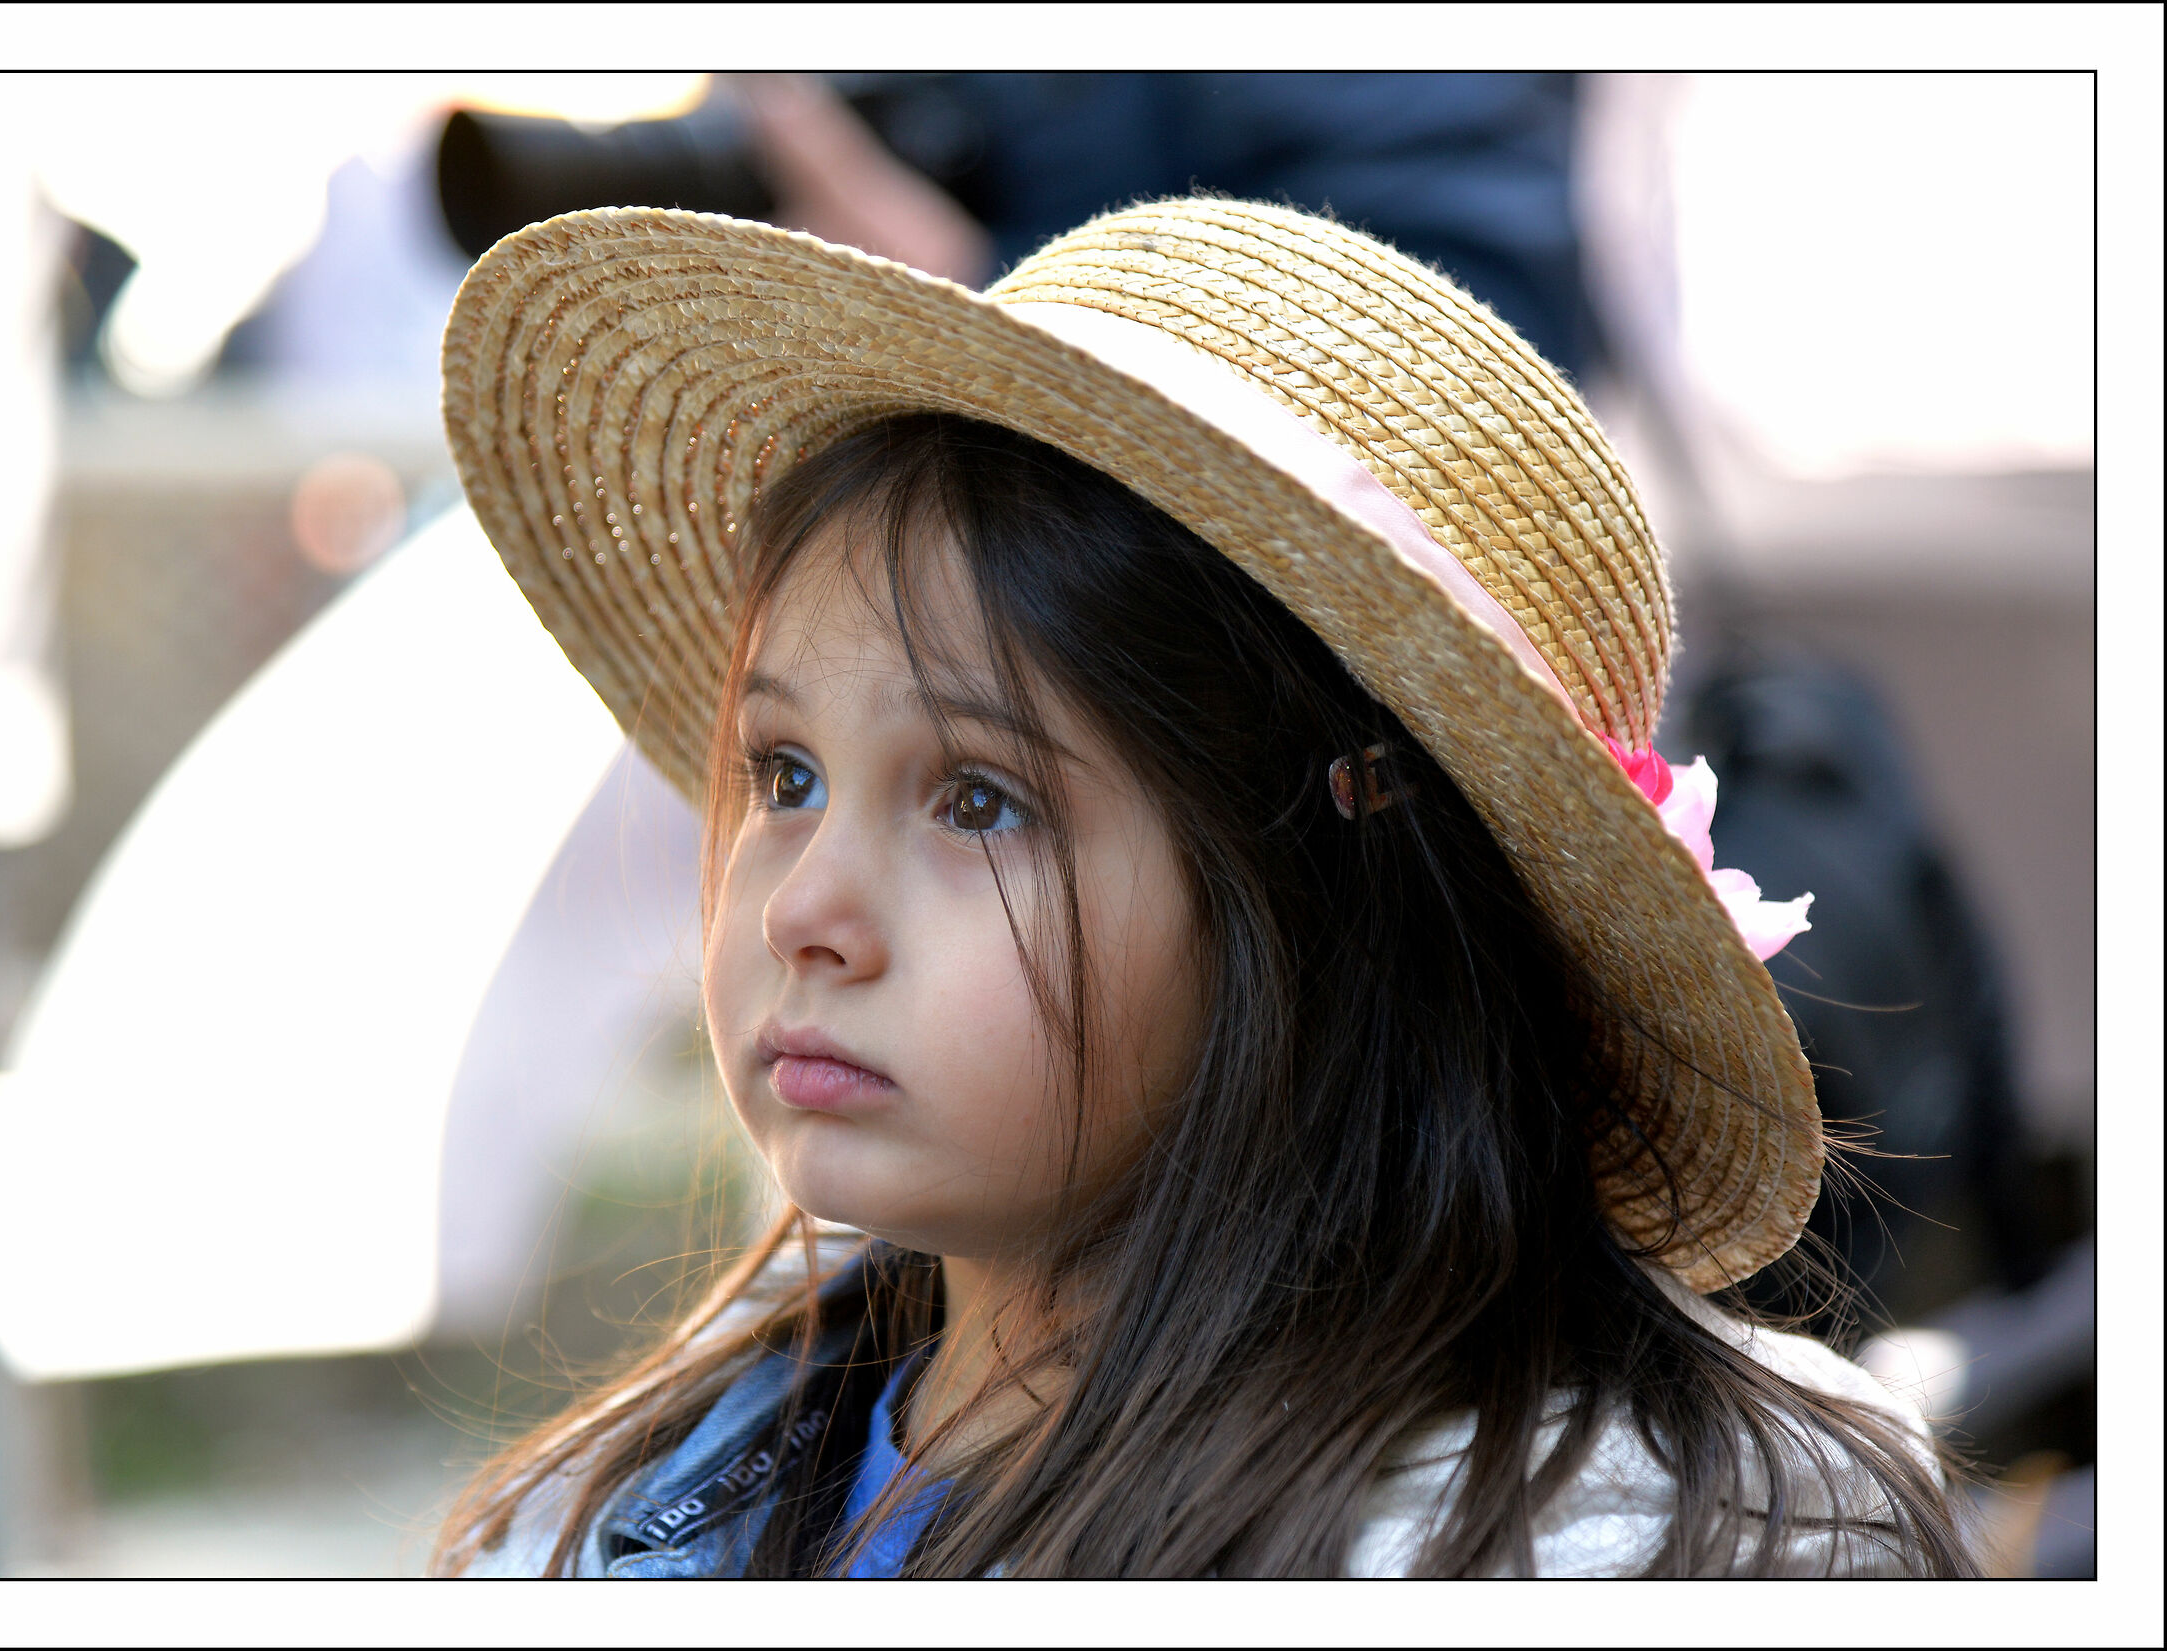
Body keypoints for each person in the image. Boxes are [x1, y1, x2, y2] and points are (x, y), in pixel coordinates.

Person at [426, 197, 1977, 1577]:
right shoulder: (638, 1502)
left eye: (979, 802)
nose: (800, 911)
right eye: (783, 776)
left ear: (1317, 915)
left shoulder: (1606, 1549)